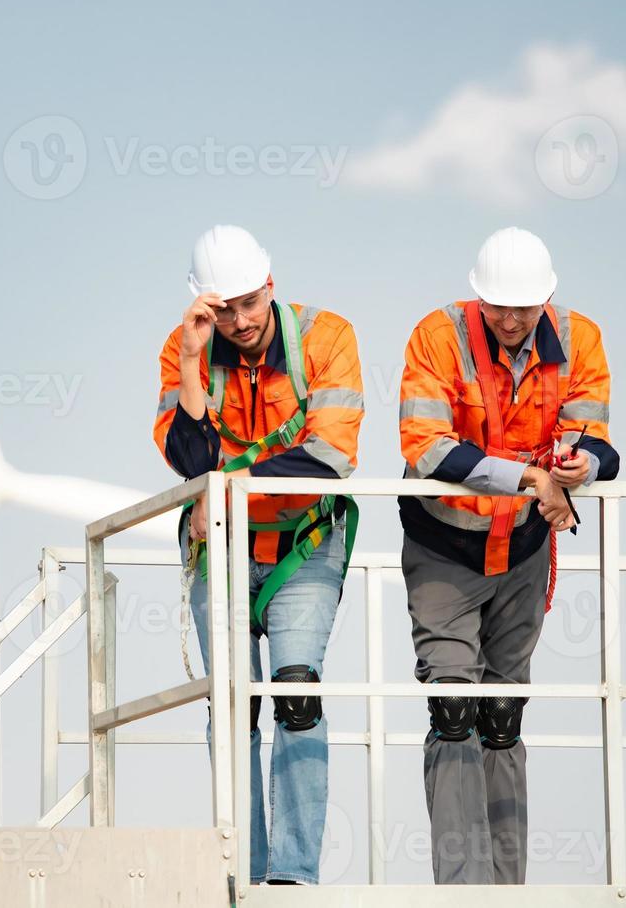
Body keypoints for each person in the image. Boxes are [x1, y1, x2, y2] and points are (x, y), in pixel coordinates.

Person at [396, 226, 619, 884]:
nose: (515, 320)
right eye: (501, 307)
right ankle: (464, 889)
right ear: (479, 300)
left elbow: (599, 441)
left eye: (528, 307)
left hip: (522, 548)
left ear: (547, 299)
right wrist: (531, 479)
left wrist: (578, 466)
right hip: (445, 545)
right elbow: (426, 448)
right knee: (453, 705)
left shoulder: (580, 340)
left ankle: (507, 887)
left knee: (501, 714)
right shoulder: (436, 336)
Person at [152, 224, 363, 885]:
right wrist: (191, 360)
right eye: (224, 309)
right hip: (223, 553)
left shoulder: (328, 338)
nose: (239, 322)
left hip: (302, 547)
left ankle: (292, 877)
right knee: (234, 704)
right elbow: (190, 461)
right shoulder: (182, 349)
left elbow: (329, 458)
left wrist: (233, 483)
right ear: (204, 307)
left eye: (249, 303)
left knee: (295, 694)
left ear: (270, 286)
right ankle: (243, 873)